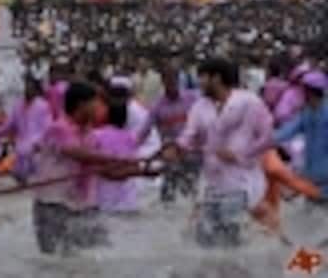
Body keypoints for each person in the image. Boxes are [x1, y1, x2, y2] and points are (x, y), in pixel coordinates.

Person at [32, 82, 149, 255]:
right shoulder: (58, 129)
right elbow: (76, 153)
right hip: (54, 207)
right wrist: (116, 158)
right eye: (96, 103)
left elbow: (104, 171)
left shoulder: (90, 134)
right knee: (57, 261)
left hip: (85, 207)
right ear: (81, 105)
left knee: (99, 255)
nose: (100, 108)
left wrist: (142, 172)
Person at [167, 58, 274, 235]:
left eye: (202, 77)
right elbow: (189, 135)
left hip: (242, 183)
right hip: (211, 185)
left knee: (230, 238)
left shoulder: (249, 102)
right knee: (203, 239)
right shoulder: (199, 107)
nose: (199, 83)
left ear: (216, 78)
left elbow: (267, 137)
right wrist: (176, 148)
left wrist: (240, 154)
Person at [274, 71, 328, 199]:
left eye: (303, 90)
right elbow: (289, 130)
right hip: (311, 173)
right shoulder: (307, 112)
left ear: (309, 92)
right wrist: (267, 140)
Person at [0, 77, 52, 183]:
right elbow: (10, 124)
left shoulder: (43, 106)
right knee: (20, 177)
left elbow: (47, 127)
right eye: (27, 87)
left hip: (36, 147)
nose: (28, 90)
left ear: (36, 91)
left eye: (31, 88)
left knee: (37, 178)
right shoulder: (18, 105)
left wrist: (40, 143)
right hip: (21, 147)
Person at [92, 102, 138, 213]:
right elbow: (134, 164)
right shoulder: (131, 137)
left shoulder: (97, 135)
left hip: (105, 193)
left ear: (107, 116)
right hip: (128, 197)